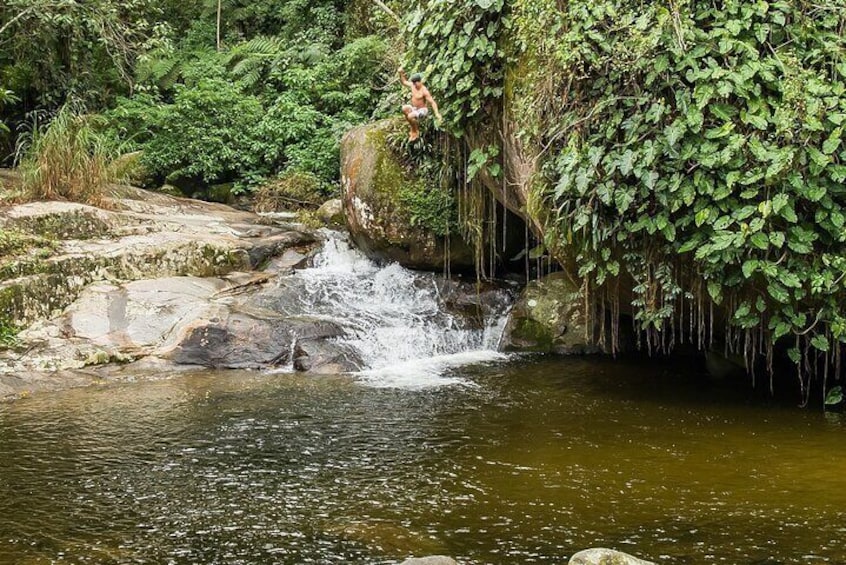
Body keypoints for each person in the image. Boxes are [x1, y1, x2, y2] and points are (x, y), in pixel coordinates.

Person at [399, 68, 442, 141]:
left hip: (422, 110)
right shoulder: (413, 86)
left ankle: (415, 131)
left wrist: (437, 113)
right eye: (413, 83)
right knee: (404, 108)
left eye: (416, 83)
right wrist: (401, 73)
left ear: (420, 82)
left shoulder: (424, 91)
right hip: (414, 108)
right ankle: (413, 128)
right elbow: (404, 82)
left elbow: (432, 102)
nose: (414, 85)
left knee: (410, 116)